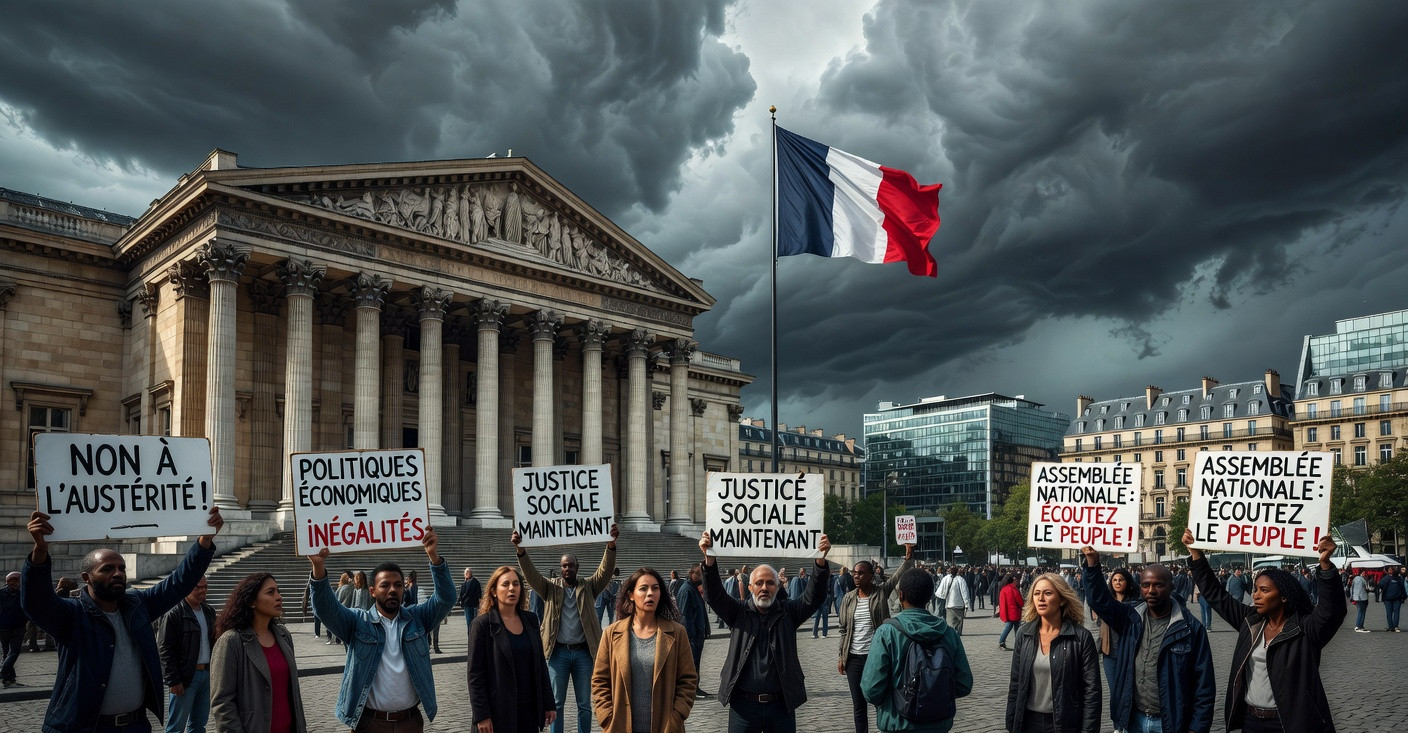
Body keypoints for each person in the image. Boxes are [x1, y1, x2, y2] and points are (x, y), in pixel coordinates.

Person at [21, 508, 223, 733]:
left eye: (122, 568)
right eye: (107, 569)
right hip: (84, 728)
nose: (117, 573)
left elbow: (178, 583)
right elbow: (36, 602)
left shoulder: (138, 606)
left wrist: (204, 541)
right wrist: (40, 550)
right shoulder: (72, 614)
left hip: (134, 726)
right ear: (87, 578)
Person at [1185, 528, 1345, 733]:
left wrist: (1326, 566)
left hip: (1289, 723)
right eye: (1255, 589)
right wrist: (1196, 554)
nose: (1256, 596)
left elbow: (1332, 612)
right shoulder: (1250, 622)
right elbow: (1216, 595)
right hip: (1251, 721)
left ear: (1284, 596)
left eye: (1265, 590)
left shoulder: (1305, 629)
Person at [308, 528, 455, 731]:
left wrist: (433, 556)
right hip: (370, 723)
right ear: (372, 591)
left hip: (410, 722)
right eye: (385, 585)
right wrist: (318, 566)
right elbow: (325, 609)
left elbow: (446, 598)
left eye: (398, 585)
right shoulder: (358, 621)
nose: (393, 590)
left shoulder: (418, 618)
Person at [699, 530, 831, 733]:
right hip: (743, 707)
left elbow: (813, 597)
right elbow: (714, 595)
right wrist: (709, 560)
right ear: (750, 587)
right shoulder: (738, 613)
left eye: (770, 583)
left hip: (781, 706)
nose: (764, 588)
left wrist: (820, 561)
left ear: (778, 587)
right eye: (759, 583)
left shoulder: (789, 613)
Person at [1080, 544, 1215, 733]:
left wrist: (1197, 727)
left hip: (1169, 723)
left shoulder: (1191, 628)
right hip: (1134, 719)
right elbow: (1100, 601)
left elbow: (1204, 684)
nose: (1151, 590)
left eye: (1158, 585)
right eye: (1145, 585)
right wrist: (1093, 563)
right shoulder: (1130, 618)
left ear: (1171, 587)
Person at [514, 524, 620, 733]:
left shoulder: (589, 586)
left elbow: (605, 572)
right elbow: (531, 575)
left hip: (583, 653)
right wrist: (521, 551)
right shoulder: (550, 587)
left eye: (571, 565)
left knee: (584, 704)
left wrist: (610, 546)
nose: (567, 569)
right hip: (558, 653)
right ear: (560, 568)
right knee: (556, 704)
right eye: (564, 566)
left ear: (577, 567)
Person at [859, 566, 973, 733]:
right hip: (938, 725)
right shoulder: (949, 633)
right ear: (930, 596)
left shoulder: (887, 632)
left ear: (901, 595)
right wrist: (935, 695)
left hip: (898, 723)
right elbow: (964, 683)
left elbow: (871, 689)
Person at [591, 567, 698, 732]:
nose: (650, 594)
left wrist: (677, 716)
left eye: (655, 588)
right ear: (631, 595)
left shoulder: (677, 633)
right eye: (643, 588)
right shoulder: (611, 633)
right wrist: (606, 716)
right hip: (620, 726)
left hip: (664, 727)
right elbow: (600, 680)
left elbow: (688, 680)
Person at [209, 573, 307, 733]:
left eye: (278, 591)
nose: (279, 597)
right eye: (270, 592)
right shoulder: (231, 641)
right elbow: (223, 703)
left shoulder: (283, 635)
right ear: (251, 602)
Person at [1005, 573, 1100, 733]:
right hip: (1029, 722)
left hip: (1065, 723)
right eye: (1036, 593)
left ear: (1062, 599)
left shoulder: (1081, 637)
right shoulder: (1024, 634)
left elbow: (1092, 691)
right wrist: (1011, 722)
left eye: (1048, 593)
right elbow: (1016, 682)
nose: (1041, 598)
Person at [467, 565, 556, 733]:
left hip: (528, 712)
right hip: (497, 712)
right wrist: (481, 714)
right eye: (505, 584)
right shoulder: (482, 625)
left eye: (516, 584)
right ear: (493, 591)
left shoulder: (531, 620)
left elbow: (540, 665)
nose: (511, 589)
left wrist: (549, 703)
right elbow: (475, 675)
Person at [837, 544, 914, 733]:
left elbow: (896, 577)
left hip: (877, 657)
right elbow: (843, 630)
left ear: (871, 575)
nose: (856, 576)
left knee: (882, 700)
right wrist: (841, 656)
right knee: (858, 705)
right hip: (854, 658)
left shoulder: (881, 592)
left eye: (861, 573)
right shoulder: (848, 598)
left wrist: (908, 559)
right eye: (854, 573)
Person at [157, 576, 217, 733]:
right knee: (176, 727)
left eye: (205, 587)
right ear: (186, 588)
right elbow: (165, 649)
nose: (203, 590)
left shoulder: (209, 611)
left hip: (206, 674)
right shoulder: (174, 613)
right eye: (198, 587)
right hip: (185, 676)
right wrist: (173, 680)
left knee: (199, 725)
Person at [1093, 566, 1136, 728]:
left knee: (1128, 690)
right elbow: (1099, 622)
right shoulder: (1107, 602)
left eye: (1121, 579)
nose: (1118, 582)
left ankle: (1129, 723)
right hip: (1109, 652)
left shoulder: (1135, 602)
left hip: (1129, 653)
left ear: (1127, 582)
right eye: (1115, 580)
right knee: (1114, 691)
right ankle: (1118, 725)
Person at [674, 563, 711, 699]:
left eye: (702, 574)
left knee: (696, 662)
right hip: (691, 635)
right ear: (691, 574)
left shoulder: (693, 589)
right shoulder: (686, 590)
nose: (701, 577)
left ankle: (695, 688)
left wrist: (706, 628)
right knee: (691, 663)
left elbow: (700, 611)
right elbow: (684, 615)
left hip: (697, 633)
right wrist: (688, 637)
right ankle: (689, 690)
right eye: (699, 574)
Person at [1, 570, 25, 688]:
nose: (15, 583)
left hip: (9, 627)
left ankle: (9, 679)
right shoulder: (22, 593)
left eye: (17, 581)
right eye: (13, 581)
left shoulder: (1, 593)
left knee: (7, 653)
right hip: (12, 627)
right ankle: (4, 671)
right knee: (13, 652)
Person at [938, 567, 970, 636]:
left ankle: (952, 635)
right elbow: (964, 592)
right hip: (959, 605)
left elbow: (939, 593)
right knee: (959, 623)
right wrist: (966, 603)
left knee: (950, 624)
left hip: (949, 605)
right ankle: (958, 634)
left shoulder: (945, 579)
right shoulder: (961, 580)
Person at [997, 574, 1024, 652]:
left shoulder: (1003, 589)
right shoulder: (1013, 589)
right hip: (1014, 612)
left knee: (1009, 627)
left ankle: (1002, 642)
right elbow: (1019, 600)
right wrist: (1023, 605)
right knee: (1016, 628)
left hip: (1006, 612)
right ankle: (1018, 643)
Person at [327, 571, 354, 645]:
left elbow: (337, 599)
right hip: (348, 608)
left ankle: (337, 640)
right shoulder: (351, 587)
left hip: (341, 607)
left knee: (339, 625)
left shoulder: (341, 588)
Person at [1381, 565, 1405, 632]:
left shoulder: (1385, 578)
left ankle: (1391, 626)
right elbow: (1402, 588)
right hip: (1397, 598)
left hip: (1388, 598)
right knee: (1396, 613)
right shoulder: (1399, 578)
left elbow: (1380, 585)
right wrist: (1404, 597)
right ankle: (1395, 626)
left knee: (1389, 613)